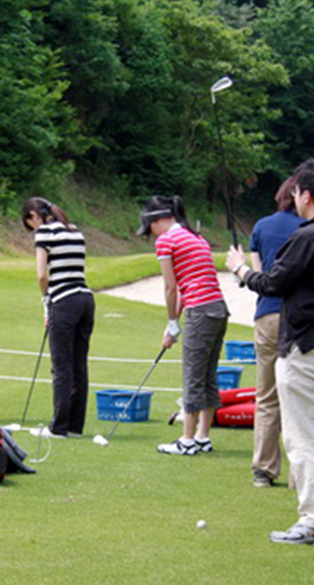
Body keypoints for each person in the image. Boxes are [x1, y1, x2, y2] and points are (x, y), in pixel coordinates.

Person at [227, 158, 314, 546]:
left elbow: (271, 282)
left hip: (306, 345)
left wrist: (238, 268)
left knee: (305, 437)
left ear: (307, 195)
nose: (295, 196)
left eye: (298, 190)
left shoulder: (310, 236)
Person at [138, 195, 228, 456]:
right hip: (218, 310)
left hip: (200, 311)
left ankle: (187, 440)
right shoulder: (195, 236)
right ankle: (203, 436)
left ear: (158, 220)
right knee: (208, 375)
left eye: (150, 227)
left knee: (192, 377)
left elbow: (171, 287)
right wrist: (174, 325)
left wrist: (170, 321)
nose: (151, 234)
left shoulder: (166, 240)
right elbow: (187, 287)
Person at [21, 198, 95, 439]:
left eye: (29, 223)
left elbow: (42, 276)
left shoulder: (43, 233)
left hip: (63, 301)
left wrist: (46, 301)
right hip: (86, 300)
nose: (32, 229)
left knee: (61, 366)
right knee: (78, 364)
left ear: (34, 215)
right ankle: (75, 426)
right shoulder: (75, 231)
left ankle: (58, 428)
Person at [249, 177, 303, 488]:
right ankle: (300, 474)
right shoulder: (308, 228)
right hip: (299, 317)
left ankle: (264, 470)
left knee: (266, 395)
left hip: (267, 314)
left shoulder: (261, 226)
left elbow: (258, 276)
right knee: (297, 395)